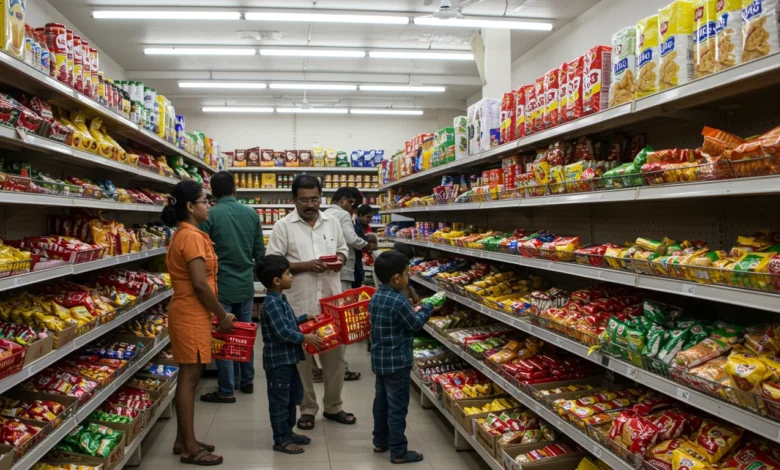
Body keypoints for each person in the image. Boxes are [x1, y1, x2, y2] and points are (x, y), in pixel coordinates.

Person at [265, 174, 356, 430]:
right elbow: (272, 264)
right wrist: (304, 266)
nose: (310, 204)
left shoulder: (332, 223)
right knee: (302, 362)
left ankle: (333, 406)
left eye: (314, 199)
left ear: (321, 198)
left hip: (329, 305)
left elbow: (343, 250)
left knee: (335, 359)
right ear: (293, 199)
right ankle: (307, 409)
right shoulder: (284, 226)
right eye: (303, 200)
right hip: (299, 307)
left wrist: (339, 258)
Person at [163, 180, 234, 466]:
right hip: (191, 313)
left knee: (189, 377)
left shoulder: (189, 233)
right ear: (190, 206)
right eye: (205, 200)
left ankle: (183, 439)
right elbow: (200, 285)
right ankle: (189, 449)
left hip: (192, 312)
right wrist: (223, 315)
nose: (209, 205)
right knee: (190, 379)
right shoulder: (190, 237)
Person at [199, 171, 265, 404]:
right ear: (235, 190)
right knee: (244, 333)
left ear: (212, 194)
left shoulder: (210, 215)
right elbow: (259, 253)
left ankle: (226, 388)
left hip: (220, 285)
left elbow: (203, 255)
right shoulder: (251, 214)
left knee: (223, 336)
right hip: (245, 284)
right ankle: (247, 381)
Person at [369, 251, 435, 464]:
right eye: (407, 274)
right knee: (397, 406)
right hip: (398, 362)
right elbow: (414, 324)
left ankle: (380, 440)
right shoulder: (400, 302)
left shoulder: (376, 296)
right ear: (397, 278)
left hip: (380, 360)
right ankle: (399, 451)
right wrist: (427, 308)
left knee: (381, 403)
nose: (409, 277)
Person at [257, 255, 324, 454]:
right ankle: (281, 439)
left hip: (289, 359)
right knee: (279, 400)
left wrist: (305, 318)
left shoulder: (280, 298)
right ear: (277, 281)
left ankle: (288, 431)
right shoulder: (272, 304)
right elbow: (283, 332)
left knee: (293, 396)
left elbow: (289, 323)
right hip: (278, 362)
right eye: (287, 273)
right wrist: (305, 338)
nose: (291, 276)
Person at [324, 187, 375, 292]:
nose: (352, 207)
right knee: (343, 300)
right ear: (343, 200)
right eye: (351, 203)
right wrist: (366, 244)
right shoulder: (343, 214)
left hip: (329, 263)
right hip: (343, 265)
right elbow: (351, 238)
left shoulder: (325, 213)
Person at [352, 204, 375, 289]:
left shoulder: (360, 225)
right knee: (356, 280)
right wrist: (367, 245)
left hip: (358, 257)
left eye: (371, 217)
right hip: (354, 258)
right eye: (368, 217)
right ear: (360, 215)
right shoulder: (356, 226)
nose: (370, 220)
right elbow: (357, 241)